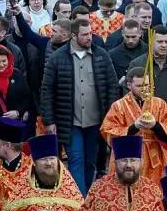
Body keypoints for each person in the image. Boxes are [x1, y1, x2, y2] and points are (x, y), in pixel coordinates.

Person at [40, 17, 121, 194]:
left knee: (90, 161)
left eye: (91, 33)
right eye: (85, 35)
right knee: (76, 159)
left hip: (96, 121)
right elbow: (46, 90)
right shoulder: (57, 58)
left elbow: (112, 85)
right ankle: (80, 202)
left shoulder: (101, 55)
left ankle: (85, 194)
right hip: (70, 122)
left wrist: (111, 116)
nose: (90, 38)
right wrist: (49, 120)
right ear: (74, 36)